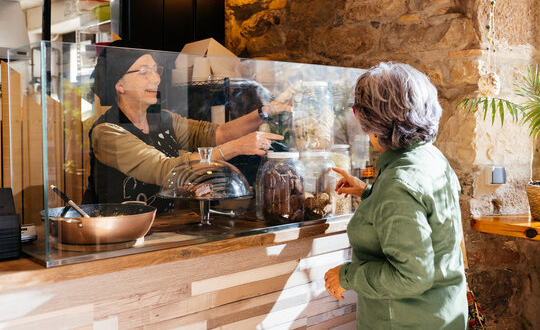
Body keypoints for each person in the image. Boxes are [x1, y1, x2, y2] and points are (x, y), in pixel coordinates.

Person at [324, 62, 467, 329]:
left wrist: (345, 276)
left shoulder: (397, 185)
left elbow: (411, 276)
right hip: (443, 312)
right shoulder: (431, 157)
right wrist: (369, 192)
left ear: (373, 122)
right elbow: (421, 218)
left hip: (406, 321)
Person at [83, 41, 288, 211]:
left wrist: (265, 112)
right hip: (117, 233)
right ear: (119, 85)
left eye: (156, 71)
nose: (156, 78)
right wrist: (236, 147)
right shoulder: (107, 132)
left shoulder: (163, 119)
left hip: (160, 229)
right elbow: (165, 169)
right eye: (144, 72)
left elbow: (219, 133)